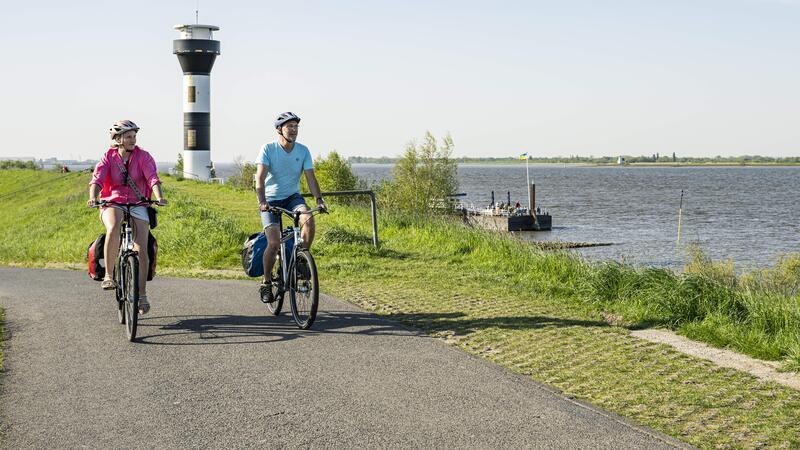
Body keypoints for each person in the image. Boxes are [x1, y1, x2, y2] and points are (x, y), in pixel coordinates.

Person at [87, 120, 167, 314]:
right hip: (112, 201)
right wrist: (93, 197)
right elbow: (97, 180)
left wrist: (159, 197)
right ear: (118, 139)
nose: (133, 140)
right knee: (113, 226)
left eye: (134, 136)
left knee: (141, 246)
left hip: (138, 202)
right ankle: (108, 275)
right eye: (129, 137)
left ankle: (142, 295)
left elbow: (152, 178)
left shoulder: (144, 156)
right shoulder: (108, 157)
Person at [255, 112, 326, 303]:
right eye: (290, 126)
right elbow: (259, 178)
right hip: (270, 199)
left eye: (296, 126)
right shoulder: (268, 149)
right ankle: (267, 281)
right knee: (274, 242)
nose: (294, 130)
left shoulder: (303, 151)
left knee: (308, 220)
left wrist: (319, 200)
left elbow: (311, 177)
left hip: (292, 197)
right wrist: (262, 202)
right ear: (280, 129)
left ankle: (302, 259)